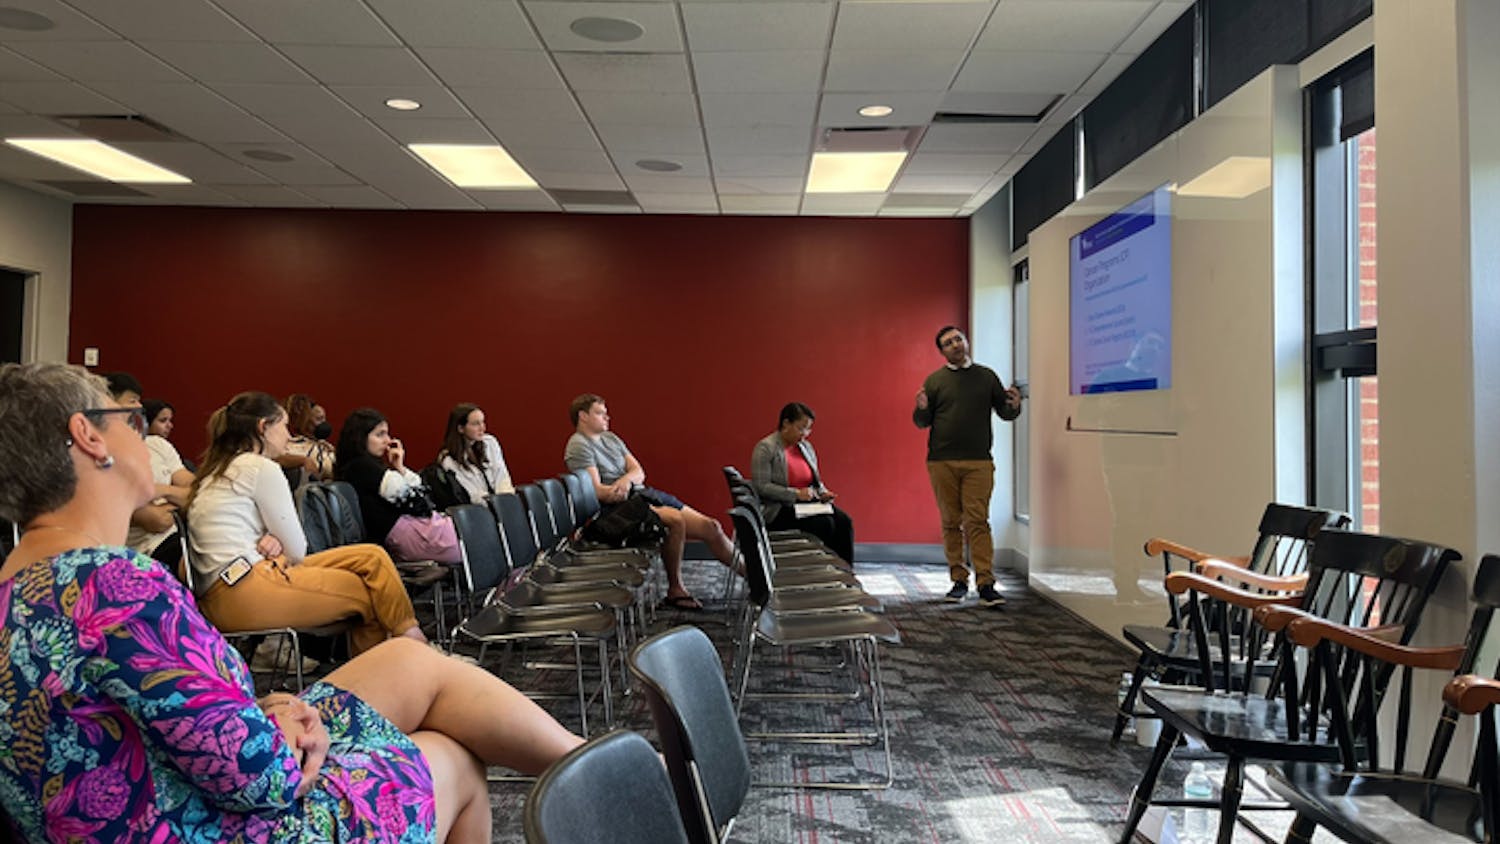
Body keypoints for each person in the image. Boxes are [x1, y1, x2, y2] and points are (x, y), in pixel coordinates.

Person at [0, 362, 585, 843]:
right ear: (89, 436)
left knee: (413, 664)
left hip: (154, 800)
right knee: (451, 757)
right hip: (210, 825)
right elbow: (264, 780)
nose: (149, 435)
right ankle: (618, 780)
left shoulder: (20, 582)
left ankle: (607, 767)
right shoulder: (112, 583)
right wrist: (281, 724)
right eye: (129, 419)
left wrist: (268, 707)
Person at [187, 391, 433, 655]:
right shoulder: (259, 467)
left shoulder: (218, 470)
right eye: (282, 425)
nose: (289, 435)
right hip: (247, 589)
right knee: (374, 596)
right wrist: (278, 541)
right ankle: (411, 653)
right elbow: (297, 550)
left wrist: (272, 539)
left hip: (230, 589)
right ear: (263, 428)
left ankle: (407, 647)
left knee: (373, 556)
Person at [564, 393, 736, 610]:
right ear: (583, 416)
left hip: (640, 495)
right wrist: (624, 485)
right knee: (674, 520)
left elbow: (638, 471)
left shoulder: (611, 439)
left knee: (712, 527)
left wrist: (625, 482)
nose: (607, 418)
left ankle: (753, 577)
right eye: (600, 413)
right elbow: (600, 493)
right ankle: (676, 588)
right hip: (615, 512)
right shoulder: (578, 445)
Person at [913, 326, 1023, 607]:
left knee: (977, 520)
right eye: (948, 343)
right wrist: (922, 408)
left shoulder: (986, 377)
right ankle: (958, 580)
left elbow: (1006, 412)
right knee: (951, 521)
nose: (955, 345)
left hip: (978, 461)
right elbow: (921, 422)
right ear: (942, 351)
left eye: (958, 339)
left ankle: (986, 583)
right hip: (941, 461)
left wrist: (1015, 405)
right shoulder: (935, 380)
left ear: (966, 341)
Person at [336, 407, 461, 564]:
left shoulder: (358, 467)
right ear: (361, 437)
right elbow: (421, 504)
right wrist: (419, 496)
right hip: (408, 535)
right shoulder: (362, 467)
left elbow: (420, 498)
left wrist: (400, 467)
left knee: (476, 535)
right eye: (379, 434)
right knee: (475, 540)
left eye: (387, 434)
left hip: (410, 531)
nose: (388, 441)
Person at [750, 402, 855, 563]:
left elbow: (815, 482)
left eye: (808, 429)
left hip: (807, 505)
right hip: (779, 509)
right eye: (801, 428)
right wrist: (796, 493)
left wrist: (823, 492)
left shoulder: (805, 447)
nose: (805, 434)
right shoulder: (766, 448)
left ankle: (844, 573)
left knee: (844, 522)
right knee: (824, 524)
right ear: (786, 423)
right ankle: (821, 570)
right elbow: (761, 486)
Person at [125, 397, 194, 569]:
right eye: (163, 420)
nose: (170, 426)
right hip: (146, 552)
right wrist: (178, 499)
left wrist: (162, 490)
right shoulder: (108, 458)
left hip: (181, 535)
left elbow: (196, 493)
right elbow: (158, 521)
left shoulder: (158, 444)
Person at [438, 402, 515, 503]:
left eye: (482, 422)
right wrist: (496, 504)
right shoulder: (449, 460)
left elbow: (502, 477)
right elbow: (473, 495)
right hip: (479, 510)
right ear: (461, 428)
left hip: (502, 504)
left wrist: (507, 501)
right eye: (475, 424)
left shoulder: (490, 442)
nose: (482, 428)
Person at [281, 393, 336, 486]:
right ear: (305, 422)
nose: (324, 423)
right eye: (319, 419)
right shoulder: (292, 446)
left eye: (324, 419)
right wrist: (304, 460)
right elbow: (276, 458)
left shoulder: (325, 446)